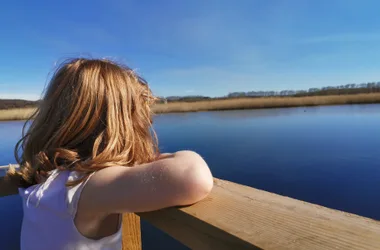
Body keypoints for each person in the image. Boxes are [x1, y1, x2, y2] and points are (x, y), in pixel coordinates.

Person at [6, 58, 213, 250]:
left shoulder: (47, 179)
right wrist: (140, 158)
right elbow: (192, 176)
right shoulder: (85, 188)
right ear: (122, 124)